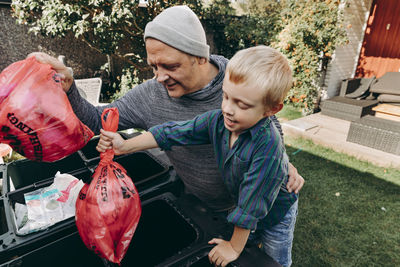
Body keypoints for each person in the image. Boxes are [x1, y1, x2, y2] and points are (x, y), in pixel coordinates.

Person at [30, 5, 304, 214]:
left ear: (200, 56)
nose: (159, 77)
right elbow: (97, 120)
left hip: (252, 205)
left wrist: (280, 160)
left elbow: (269, 124)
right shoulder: (151, 95)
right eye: (154, 66)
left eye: (170, 66)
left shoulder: (237, 83)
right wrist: (69, 87)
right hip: (201, 203)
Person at [96, 45, 298, 267]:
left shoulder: (267, 147)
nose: (228, 109)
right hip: (246, 204)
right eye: (227, 96)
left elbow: (252, 205)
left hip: (276, 209)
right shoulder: (219, 121)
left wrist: (232, 246)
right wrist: (125, 146)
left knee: (273, 258)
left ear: (271, 110)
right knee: (246, 243)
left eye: (242, 104)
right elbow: (174, 132)